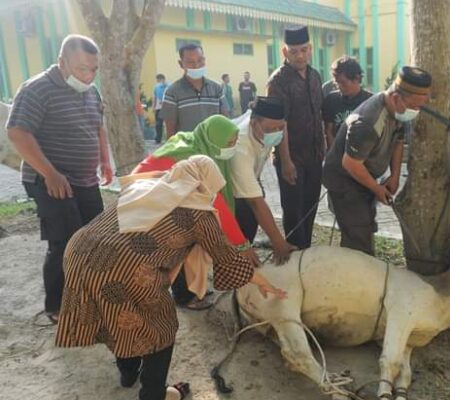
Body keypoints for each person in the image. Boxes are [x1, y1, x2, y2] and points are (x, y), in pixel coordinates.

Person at [55, 155, 286, 400]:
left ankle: (128, 372)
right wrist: (266, 284)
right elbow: (228, 258)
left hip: (79, 252)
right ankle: (154, 393)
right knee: (161, 328)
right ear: (206, 184)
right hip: (126, 267)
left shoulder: (143, 186)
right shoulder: (199, 215)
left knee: (116, 312)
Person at [6, 34, 113, 325]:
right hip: (49, 178)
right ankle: (57, 305)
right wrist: (50, 173)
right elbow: (17, 132)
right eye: (81, 68)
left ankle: (88, 295)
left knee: (94, 238)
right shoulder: (37, 89)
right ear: (62, 61)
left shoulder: (91, 91)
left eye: (94, 69)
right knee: (65, 241)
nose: (89, 75)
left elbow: (98, 126)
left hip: (86, 178)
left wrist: (105, 159)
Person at [132, 115, 259, 310]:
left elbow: (220, 199)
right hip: (147, 199)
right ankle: (184, 295)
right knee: (185, 238)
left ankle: (192, 287)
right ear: (213, 138)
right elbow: (218, 205)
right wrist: (242, 246)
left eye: (234, 142)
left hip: (167, 195)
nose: (232, 147)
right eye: (229, 142)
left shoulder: (203, 146)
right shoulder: (192, 158)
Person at [322, 66, 431, 256]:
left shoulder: (398, 110)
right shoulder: (367, 121)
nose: (417, 111)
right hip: (344, 180)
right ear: (396, 97)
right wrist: (376, 188)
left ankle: (365, 267)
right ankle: (357, 278)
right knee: (358, 235)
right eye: (415, 106)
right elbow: (350, 164)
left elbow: (398, 142)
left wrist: (394, 176)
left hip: (364, 175)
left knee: (366, 225)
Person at [267, 26, 324, 249]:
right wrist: (287, 161)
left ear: (310, 49)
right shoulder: (278, 81)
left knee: (310, 207)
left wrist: (324, 149)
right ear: (284, 52)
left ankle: (305, 253)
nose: (299, 56)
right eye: (293, 51)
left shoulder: (315, 76)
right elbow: (280, 123)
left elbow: (318, 114)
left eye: (303, 50)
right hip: (291, 158)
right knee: (293, 210)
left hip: (315, 155)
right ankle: (293, 258)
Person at [229, 97, 297, 264]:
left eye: (279, 127)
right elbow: (255, 202)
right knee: (241, 221)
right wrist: (278, 242)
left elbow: (280, 127)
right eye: (270, 129)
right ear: (254, 123)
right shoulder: (240, 147)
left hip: (251, 176)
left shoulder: (268, 127)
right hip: (226, 186)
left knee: (251, 221)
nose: (276, 132)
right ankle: (236, 266)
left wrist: (286, 160)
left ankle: (245, 256)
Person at [161, 43, 230, 138]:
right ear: (181, 64)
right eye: (190, 62)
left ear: (204, 60)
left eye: (200, 60)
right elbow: (170, 130)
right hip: (187, 150)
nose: (197, 65)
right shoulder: (172, 92)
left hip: (213, 149)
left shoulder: (216, 89)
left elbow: (225, 121)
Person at [321, 56, 373, 150]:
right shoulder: (331, 100)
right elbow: (329, 131)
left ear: (356, 79)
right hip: (337, 154)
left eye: (343, 83)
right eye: (337, 83)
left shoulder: (370, 102)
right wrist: (334, 155)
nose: (340, 86)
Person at [153, 73, 168, 144]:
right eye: (157, 81)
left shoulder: (169, 86)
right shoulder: (156, 87)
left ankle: (169, 138)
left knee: (168, 123)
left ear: (163, 79)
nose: (158, 82)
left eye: (159, 80)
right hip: (159, 107)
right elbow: (155, 97)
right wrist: (154, 107)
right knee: (158, 124)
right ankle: (158, 139)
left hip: (168, 107)